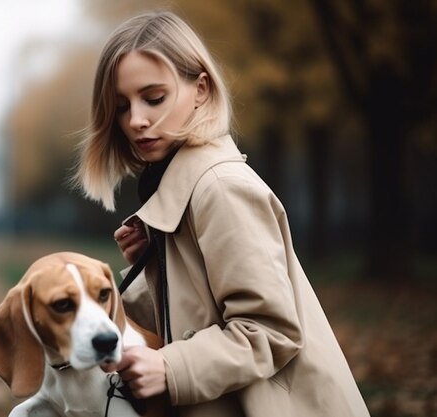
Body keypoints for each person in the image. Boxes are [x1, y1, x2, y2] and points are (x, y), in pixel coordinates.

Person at [73, 10, 370, 417]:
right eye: (121, 106)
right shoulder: (180, 191)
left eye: (154, 98)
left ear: (200, 89)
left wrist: (170, 367)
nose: (136, 120)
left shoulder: (220, 188)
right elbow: (200, 315)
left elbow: (271, 331)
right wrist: (156, 265)